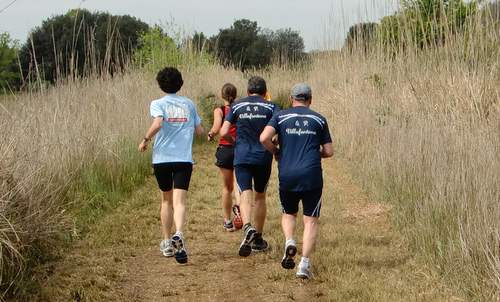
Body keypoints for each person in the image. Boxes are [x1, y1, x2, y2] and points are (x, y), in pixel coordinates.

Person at [260, 83, 333, 279]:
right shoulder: (319, 119)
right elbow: (329, 151)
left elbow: (263, 138)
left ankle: (290, 241)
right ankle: (304, 265)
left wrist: (276, 152)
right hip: (312, 175)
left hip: (288, 174)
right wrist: (315, 153)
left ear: (292, 99)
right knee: (310, 221)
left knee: (289, 213)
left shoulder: (280, 117)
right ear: (310, 100)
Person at [138, 67, 204, 264]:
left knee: (166, 201)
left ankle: (167, 242)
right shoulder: (189, 104)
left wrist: (145, 139)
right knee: (180, 201)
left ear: (160, 84)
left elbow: (158, 123)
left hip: (162, 159)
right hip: (183, 159)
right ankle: (179, 234)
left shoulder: (157, 103)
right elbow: (199, 130)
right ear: (180, 83)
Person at [220, 76, 280, 257]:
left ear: (247, 91)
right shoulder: (272, 107)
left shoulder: (237, 105)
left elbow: (223, 131)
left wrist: (235, 141)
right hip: (263, 157)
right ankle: (258, 239)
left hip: (242, 155)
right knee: (260, 196)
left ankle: (247, 227)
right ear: (265, 92)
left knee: (245, 192)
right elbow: (279, 131)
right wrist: (275, 145)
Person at [207, 83, 242, 232]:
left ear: (222, 95)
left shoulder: (220, 110)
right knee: (240, 186)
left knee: (227, 187)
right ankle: (241, 215)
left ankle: (228, 221)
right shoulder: (240, 109)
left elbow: (217, 128)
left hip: (225, 150)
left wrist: (210, 135)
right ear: (236, 94)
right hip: (240, 149)